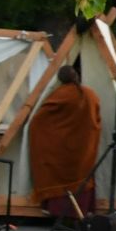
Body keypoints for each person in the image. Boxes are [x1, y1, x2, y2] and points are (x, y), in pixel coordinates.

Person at [27, 64, 102, 220]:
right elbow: (96, 121)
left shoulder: (59, 94)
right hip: (84, 148)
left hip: (60, 149)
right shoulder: (90, 94)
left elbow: (39, 121)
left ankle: (56, 210)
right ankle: (82, 210)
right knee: (81, 176)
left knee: (55, 175)